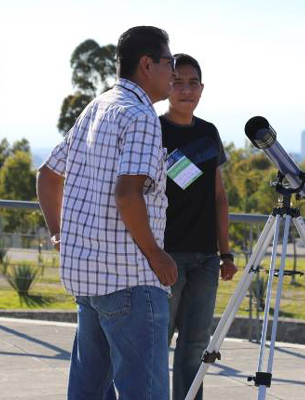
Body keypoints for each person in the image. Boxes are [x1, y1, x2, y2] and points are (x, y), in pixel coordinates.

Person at [36, 26, 177, 400]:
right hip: (131, 280)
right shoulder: (140, 116)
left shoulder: (97, 107)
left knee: (88, 392)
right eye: (169, 62)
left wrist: (58, 234)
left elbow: (48, 175)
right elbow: (128, 195)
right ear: (147, 65)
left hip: (88, 281)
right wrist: (156, 254)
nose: (173, 72)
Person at [161, 53, 238, 400]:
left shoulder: (209, 133)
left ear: (202, 89)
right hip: (164, 258)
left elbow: (219, 196)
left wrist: (225, 252)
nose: (185, 90)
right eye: (177, 82)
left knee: (195, 347)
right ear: (166, 85)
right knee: (156, 343)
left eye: (193, 83)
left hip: (206, 259)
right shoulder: (152, 130)